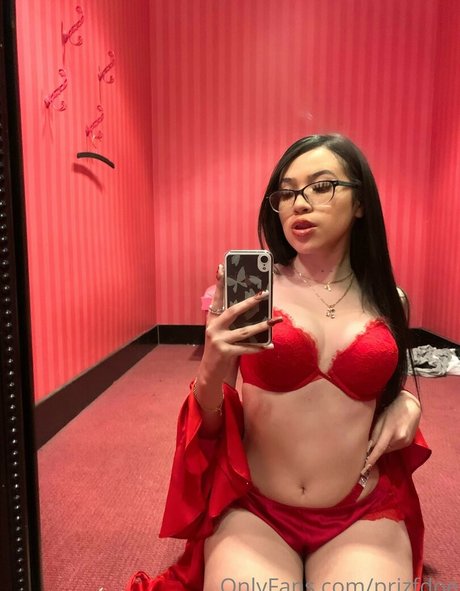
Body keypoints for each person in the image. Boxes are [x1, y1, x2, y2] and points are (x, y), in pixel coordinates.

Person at [126, 134, 430, 591]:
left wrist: (410, 403)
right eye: (286, 193)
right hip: (258, 512)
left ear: (360, 203)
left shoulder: (390, 300)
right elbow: (211, 425)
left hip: (360, 511)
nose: (299, 204)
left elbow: (388, 388)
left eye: (321, 186)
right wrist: (210, 367)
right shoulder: (252, 292)